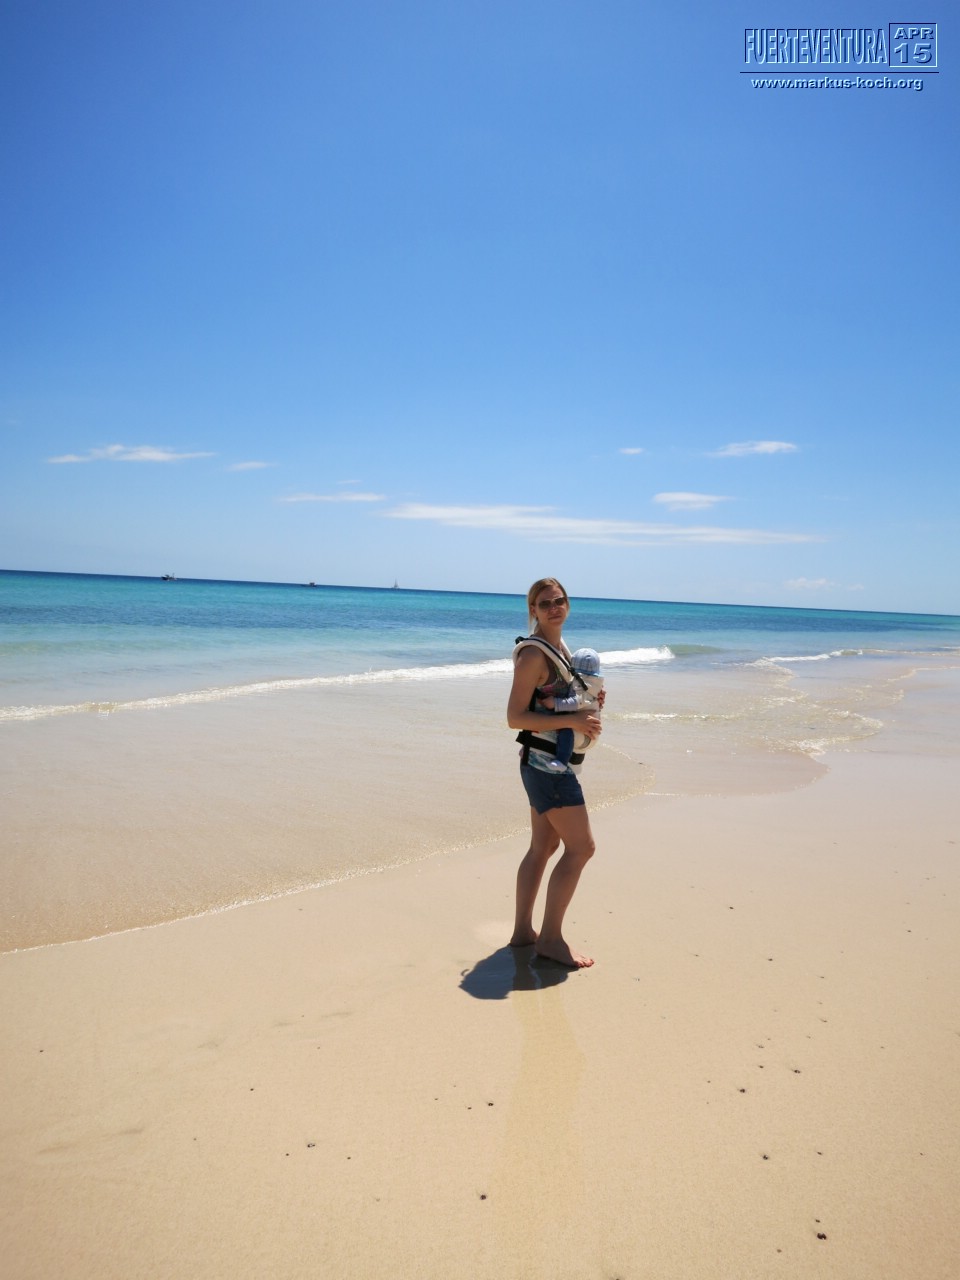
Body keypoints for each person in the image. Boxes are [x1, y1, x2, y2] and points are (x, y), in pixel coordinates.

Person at [506, 578, 604, 968]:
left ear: (568, 604)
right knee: (582, 848)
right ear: (533, 610)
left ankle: (522, 933)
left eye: (559, 601)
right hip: (548, 767)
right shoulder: (534, 655)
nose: (554, 608)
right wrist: (575, 720)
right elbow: (515, 717)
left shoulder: (559, 649)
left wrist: (588, 701)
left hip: (541, 763)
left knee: (543, 848)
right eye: (544, 603)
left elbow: (555, 702)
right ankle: (550, 939)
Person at [537, 647, 603, 773]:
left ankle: (561, 761)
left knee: (566, 731)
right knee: (563, 727)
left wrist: (555, 703)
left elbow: (577, 702)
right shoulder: (593, 683)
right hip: (588, 732)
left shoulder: (585, 684)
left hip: (587, 734)